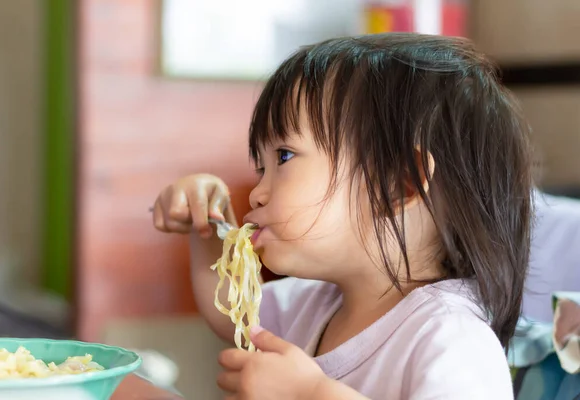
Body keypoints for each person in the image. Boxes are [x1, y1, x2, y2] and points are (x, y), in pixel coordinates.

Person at [152, 33, 533, 400]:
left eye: (284, 156)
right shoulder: (316, 302)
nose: (257, 192)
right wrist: (207, 226)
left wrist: (311, 394)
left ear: (399, 185)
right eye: (260, 168)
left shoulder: (450, 337)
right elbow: (231, 311)